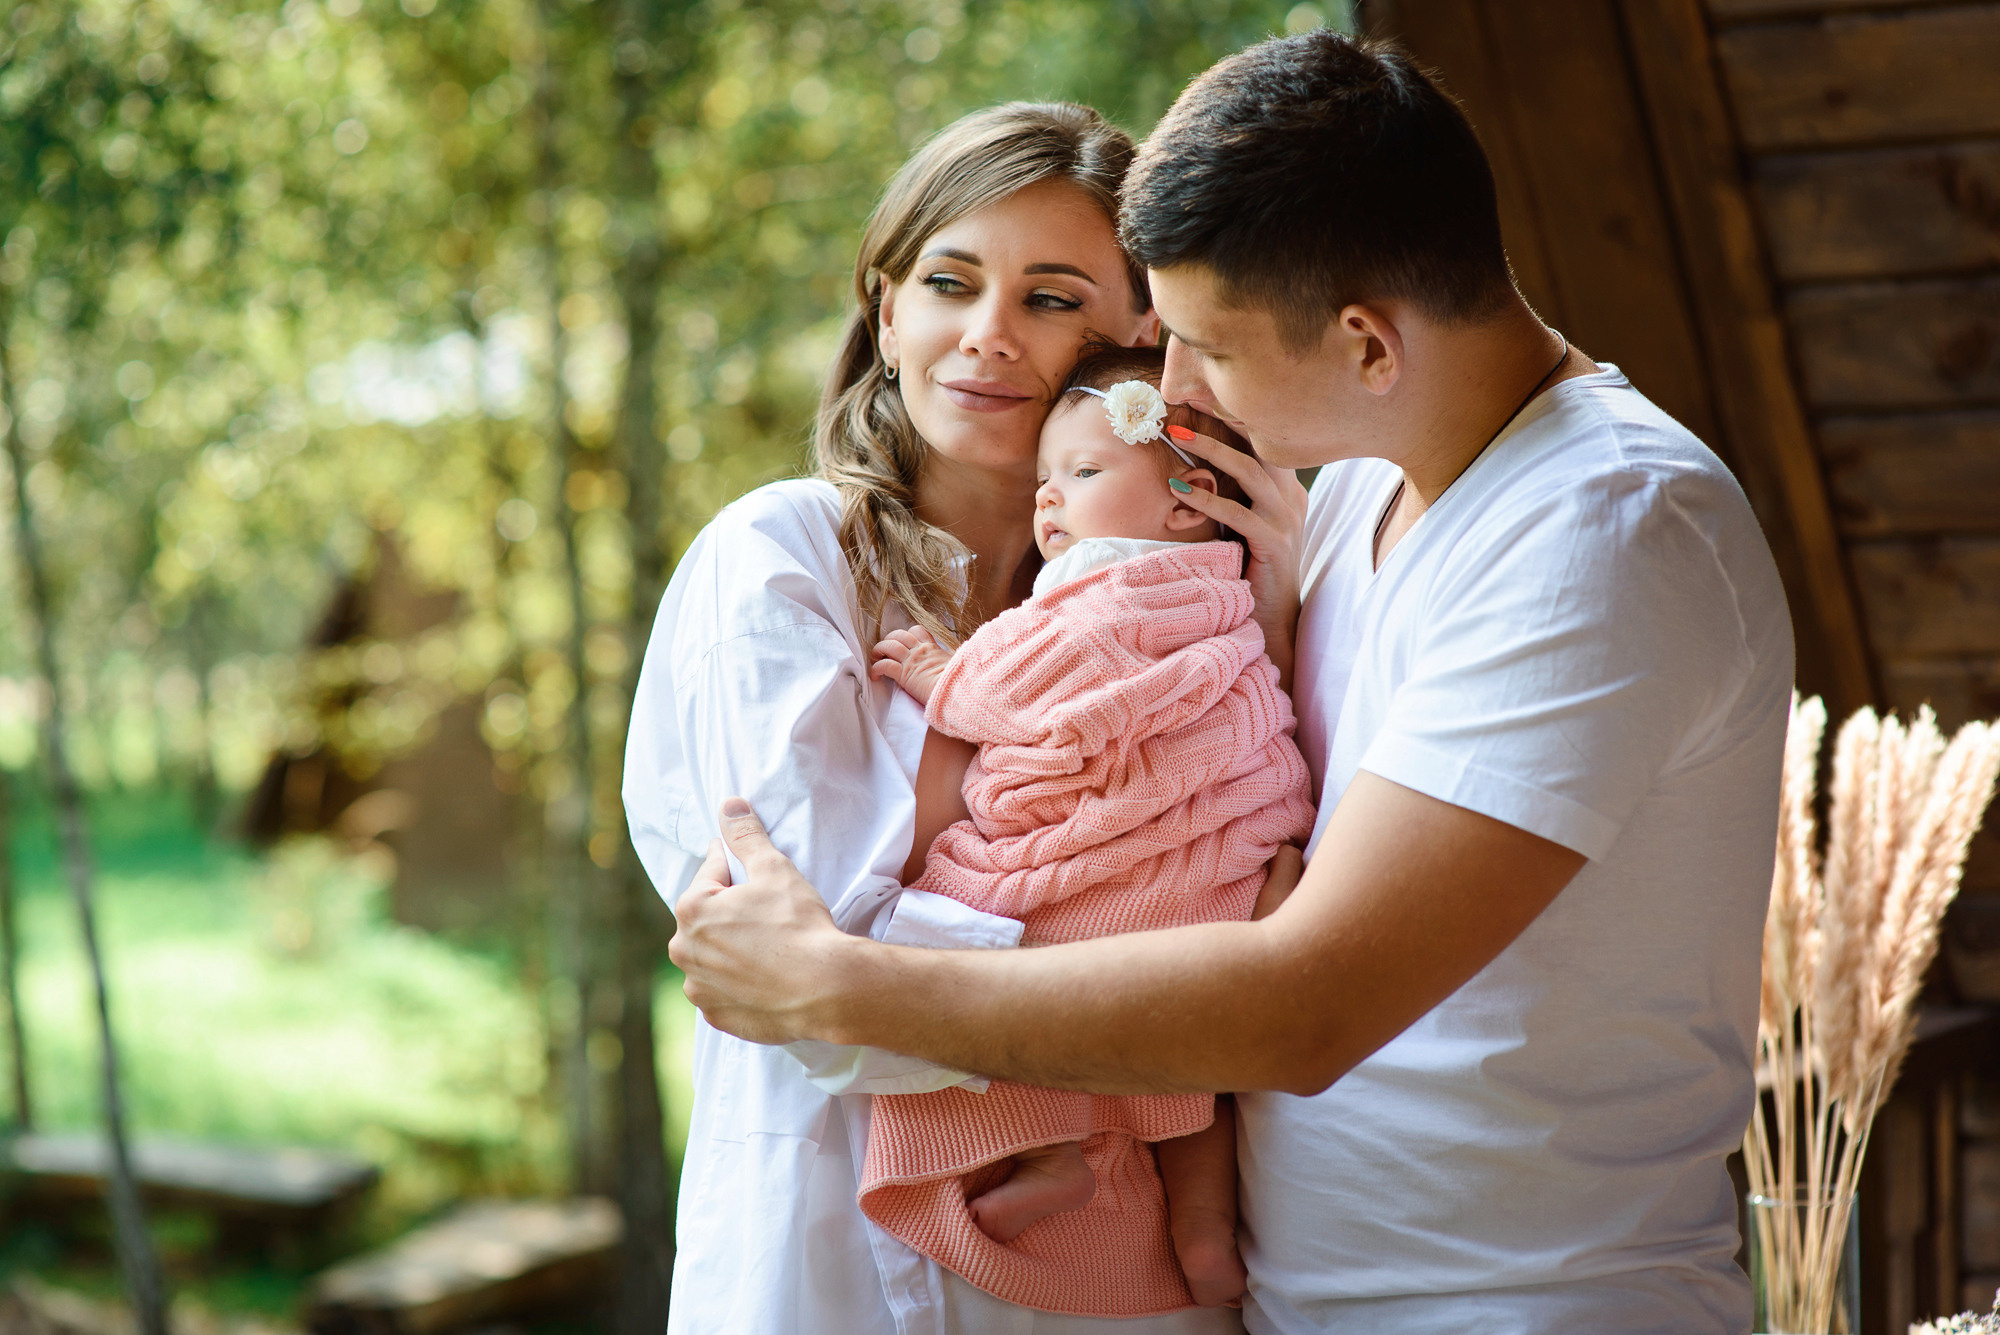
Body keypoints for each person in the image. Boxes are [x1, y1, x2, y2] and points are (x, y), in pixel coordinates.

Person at [667, 30, 1795, 1335]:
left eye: (1203, 347)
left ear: (1369, 343)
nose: (1170, 389)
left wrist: (843, 987)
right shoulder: (1369, 478)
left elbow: (1309, 999)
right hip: (1304, 1300)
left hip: (1515, 1302)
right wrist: (1248, 611)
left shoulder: (1605, 531)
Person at [622, 100, 1286, 1335]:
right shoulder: (782, 560)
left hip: (1120, 1275)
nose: (985, 337)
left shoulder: (1201, 592)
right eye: (947, 283)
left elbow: (1286, 912)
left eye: (1049, 298)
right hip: (832, 1258)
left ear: (1136, 339)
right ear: (885, 311)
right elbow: (799, 973)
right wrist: (1169, 969)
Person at [861, 342, 1314, 1316]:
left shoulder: (1108, 587)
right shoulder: (1219, 586)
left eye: (1082, 472)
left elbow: (1027, 689)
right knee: (1197, 1086)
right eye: (1043, 481)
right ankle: (1202, 1230)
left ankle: (1049, 1146)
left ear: (1184, 501)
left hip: (1135, 873)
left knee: (960, 927)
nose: (1048, 502)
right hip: (1223, 876)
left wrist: (938, 674)